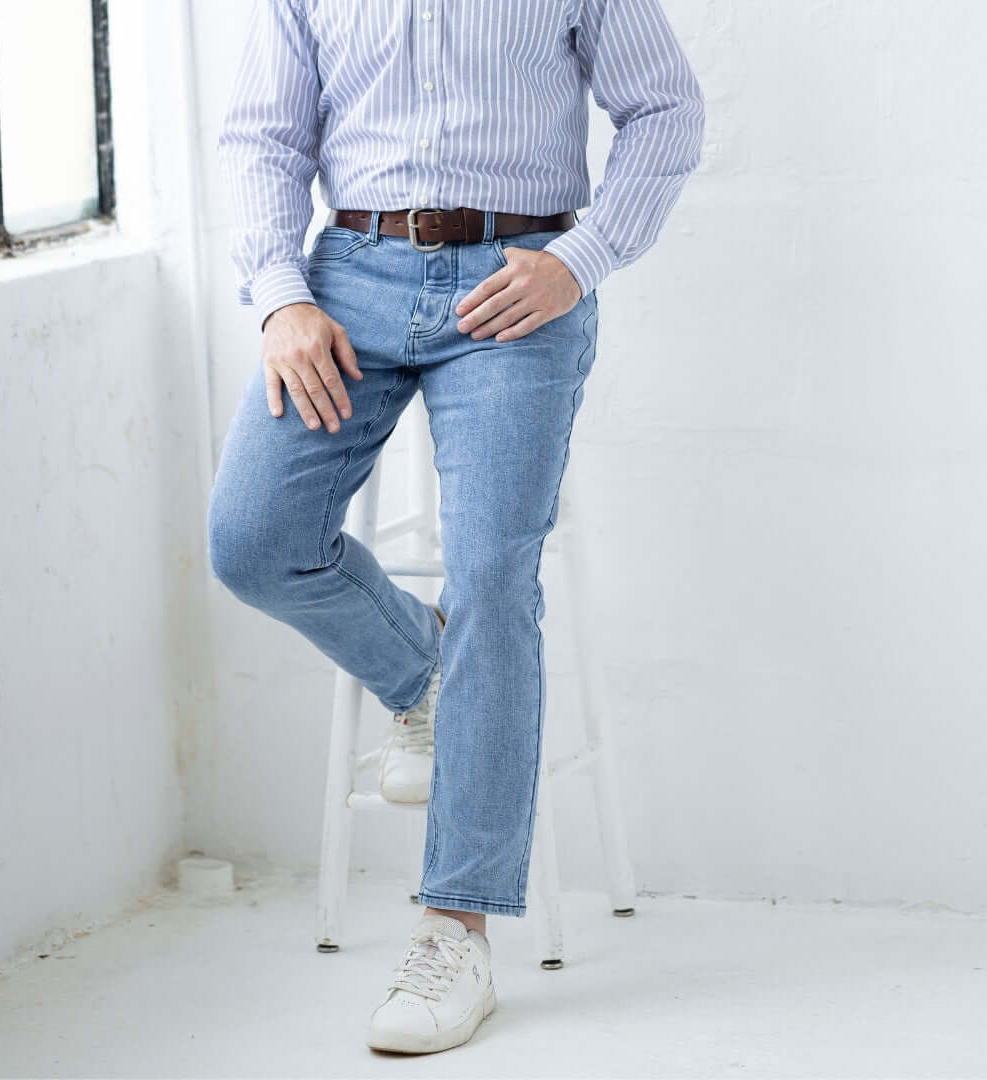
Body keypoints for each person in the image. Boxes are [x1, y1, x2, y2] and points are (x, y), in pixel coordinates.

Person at [208, 0, 704, 1055]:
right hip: (347, 285)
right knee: (251, 538)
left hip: (517, 287)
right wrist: (278, 297)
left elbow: (663, 109)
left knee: (490, 580)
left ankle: (457, 932)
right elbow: (262, 139)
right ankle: (428, 673)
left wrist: (585, 257)